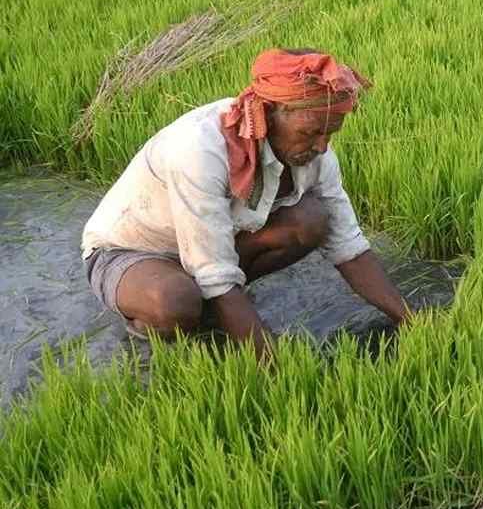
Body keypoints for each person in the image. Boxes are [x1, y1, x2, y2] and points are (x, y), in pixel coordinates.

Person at [81, 48, 412, 360]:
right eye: (311, 132)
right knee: (175, 302)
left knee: (311, 218)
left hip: (210, 244)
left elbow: (348, 245)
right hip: (133, 252)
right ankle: (156, 322)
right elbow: (215, 273)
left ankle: (217, 309)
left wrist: (412, 321)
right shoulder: (201, 149)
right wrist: (277, 367)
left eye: (330, 134)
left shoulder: (315, 152)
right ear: (268, 114)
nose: (322, 147)